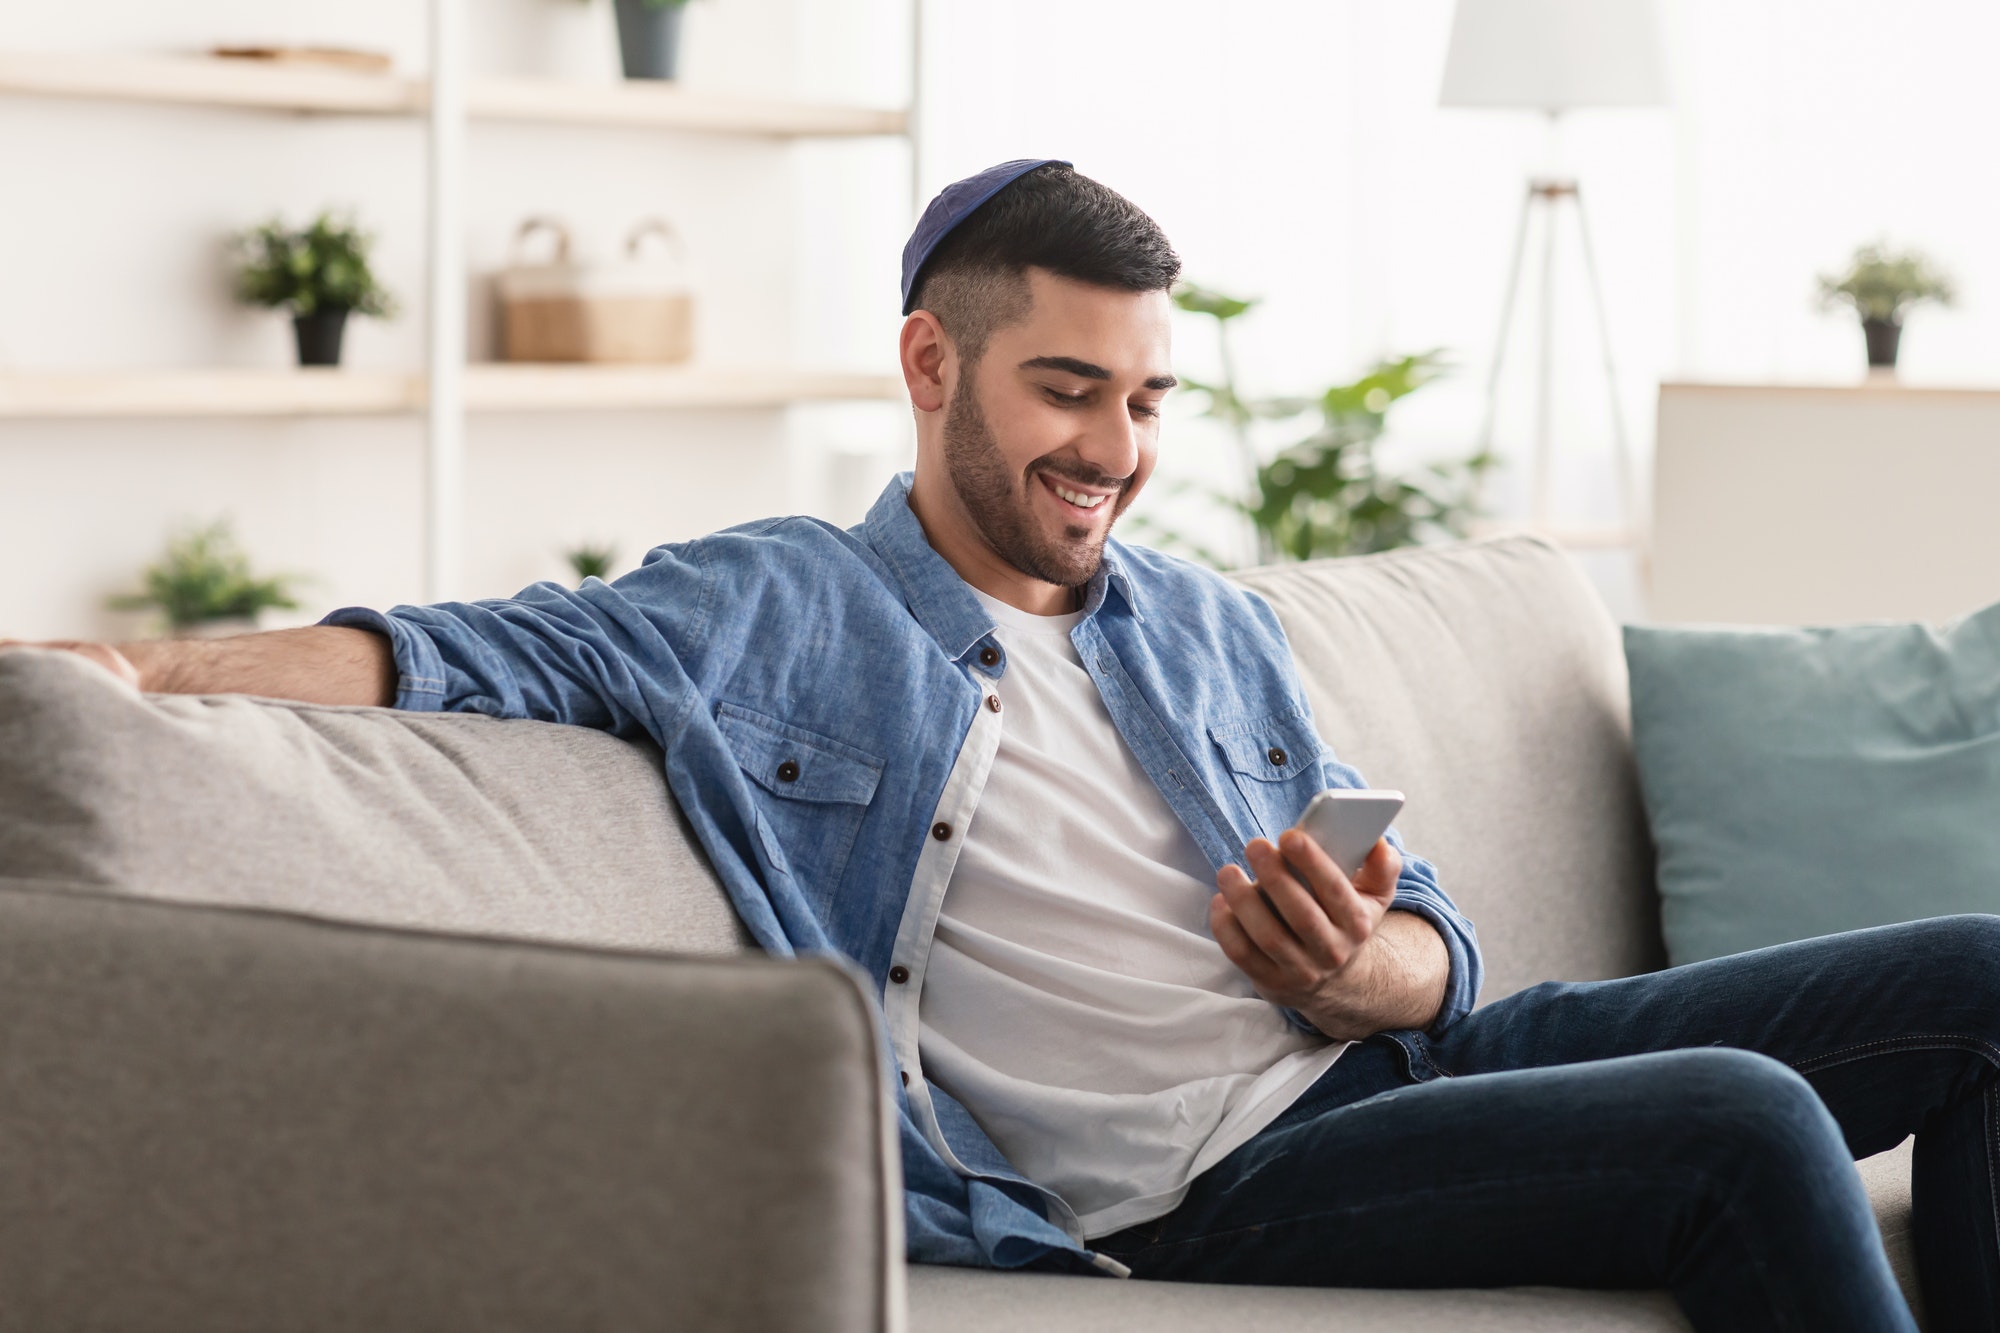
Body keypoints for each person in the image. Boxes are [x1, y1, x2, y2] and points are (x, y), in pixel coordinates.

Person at [8, 161, 1998, 1333]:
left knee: (1984, 979)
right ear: (929, 362)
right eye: (1066, 389)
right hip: (1203, 1184)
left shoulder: (1198, 620)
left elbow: (1438, 946)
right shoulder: (775, 604)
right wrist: (120, 666)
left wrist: (1369, 965)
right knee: (1742, 1120)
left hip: (1397, 1057)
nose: (1114, 449)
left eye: (1145, 398)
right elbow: (444, 649)